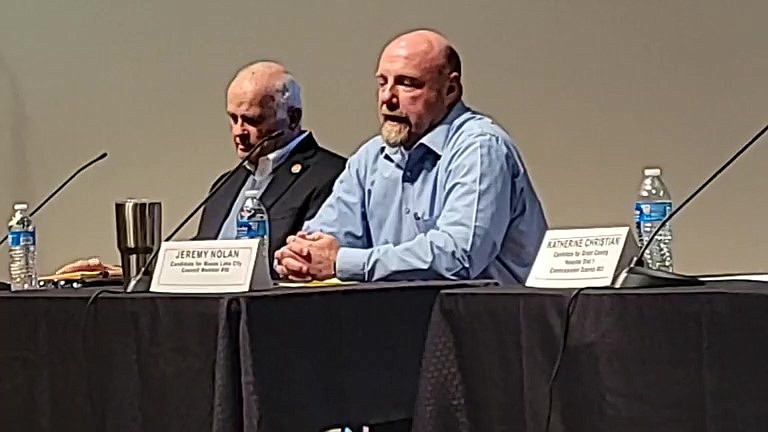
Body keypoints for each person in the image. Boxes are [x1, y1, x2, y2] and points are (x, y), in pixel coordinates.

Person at [274, 30, 548, 285]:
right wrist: (300, 255)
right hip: (402, 324)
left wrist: (341, 262)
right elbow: (328, 234)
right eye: (383, 83)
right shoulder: (371, 157)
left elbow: (458, 256)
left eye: (407, 84)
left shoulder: (479, 148)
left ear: (450, 91)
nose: (388, 99)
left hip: (486, 327)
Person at [56, 61, 346, 277]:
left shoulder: (329, 176)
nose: (238, 132)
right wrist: (120, 274)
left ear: (292, 118)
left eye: (252, 121)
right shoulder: (227, 184)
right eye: (232, 118)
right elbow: (202, 258)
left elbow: (303, 267)